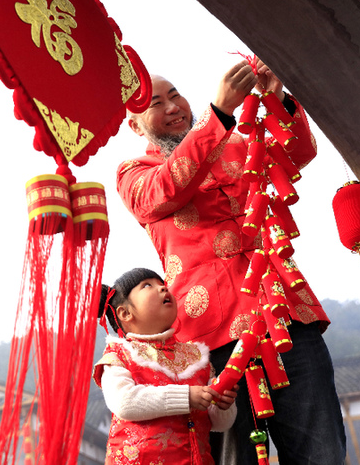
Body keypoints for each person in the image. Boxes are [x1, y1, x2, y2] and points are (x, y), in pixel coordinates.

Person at [116, 60, 346, 464]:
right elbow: (168, 189)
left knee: (321, 451)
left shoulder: (237, 143)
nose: (173, 106)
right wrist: (218, 113)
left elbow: (297, 152)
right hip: (210, 337)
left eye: (175, 95)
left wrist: (274, 94)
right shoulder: (135, 174)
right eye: (156, 103)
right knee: (234, 457)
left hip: (286, 313)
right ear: (136, 126)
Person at [93, 267, 237, 464]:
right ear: (125, 313)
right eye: (147, 285)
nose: (162, 288)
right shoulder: (119, 353)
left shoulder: (196, 357)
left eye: (163, 284)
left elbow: (220, 425)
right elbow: (124, 402)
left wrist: (223, 405)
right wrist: (186, 396)